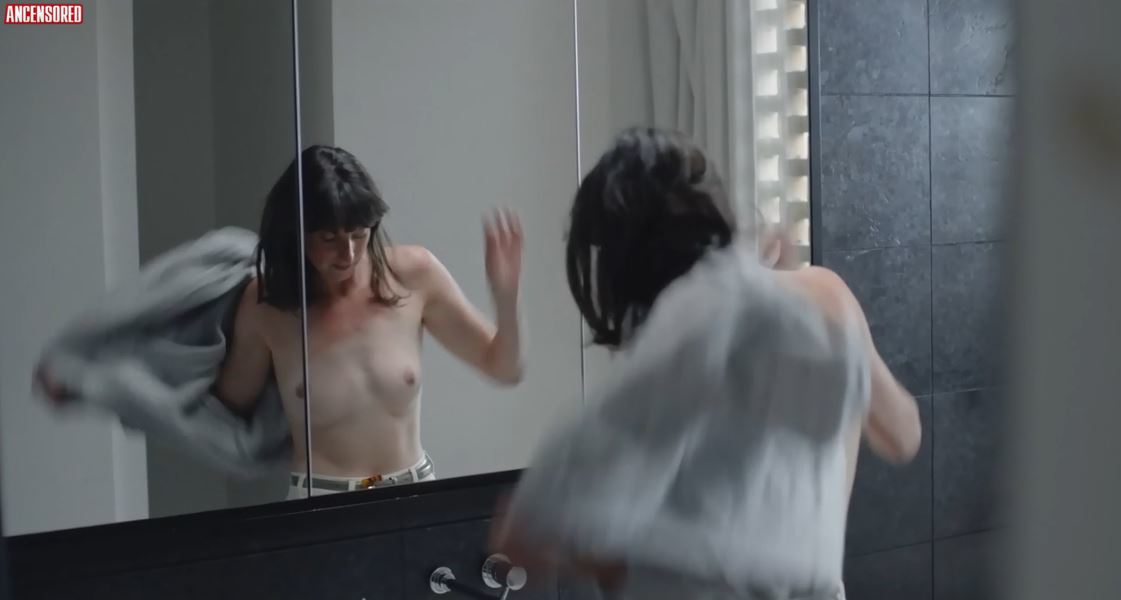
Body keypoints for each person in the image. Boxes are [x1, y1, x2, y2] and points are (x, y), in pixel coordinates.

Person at [492, 128, 920, 599]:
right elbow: (903, 436)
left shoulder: (688, 325)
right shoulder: (822, 300)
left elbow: (589, 473)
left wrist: (538, 517)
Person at [38, 144, 526, 498]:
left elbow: (503, 368)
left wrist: (506, 298)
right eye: (329, 238)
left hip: (415, 492)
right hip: (321, 503)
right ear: (297, 234)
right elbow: (224, 417)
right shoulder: (267, 307)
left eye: (359, 233)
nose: (348, 253)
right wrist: (110, 386)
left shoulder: (414, 274)